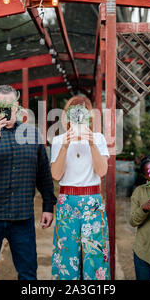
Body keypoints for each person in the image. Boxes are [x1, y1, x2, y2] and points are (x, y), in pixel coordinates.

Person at [0, 84, 56, 280]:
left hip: (22, 217)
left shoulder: (32, 134)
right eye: (1, 105)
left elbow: (43, 173)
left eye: (10, 105)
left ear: (17, 106)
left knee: (28, 273)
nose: (7, 109)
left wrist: (48, 205)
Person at [50, 96, 110, 280]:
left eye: (82, 113)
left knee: (96, 255)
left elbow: (101, 172)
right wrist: (65, 145)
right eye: (73, 113)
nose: (78, 117)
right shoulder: (59, 140)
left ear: (88, 116)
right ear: (67, 116)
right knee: (66, 255)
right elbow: (56, 175)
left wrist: (91, 143)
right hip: (67, 200)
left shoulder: (98, 138)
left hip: (92, 201)